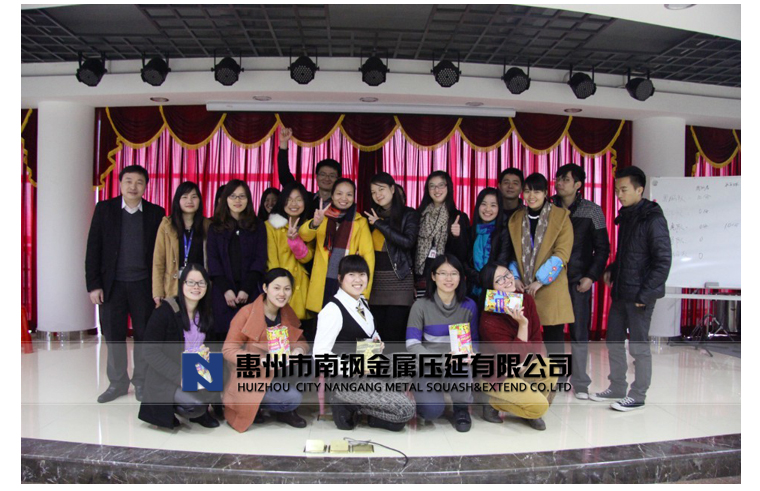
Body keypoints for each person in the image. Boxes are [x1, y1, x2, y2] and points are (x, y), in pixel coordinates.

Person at [591, 166, 672, 411]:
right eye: (617, 190)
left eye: (624, 189)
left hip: (639, 296)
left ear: (639, 189)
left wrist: (645, 294)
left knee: (638, 347)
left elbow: (662, 261)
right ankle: (617, 387)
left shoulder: (653, 219)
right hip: (621, 292)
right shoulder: (627, 216)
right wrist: (612, 269)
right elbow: (629, 255)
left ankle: (637, 395)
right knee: (613, 341)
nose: (619, 194)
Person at [85, 165, 166, 403]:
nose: (133, 186)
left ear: (145, 186)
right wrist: (93, 285)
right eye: (128, 181)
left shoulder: (156, 213)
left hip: (144, 286)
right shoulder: (105, 209)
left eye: (139, 182)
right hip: (112, 286)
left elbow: (161, 255)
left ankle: (141, 381)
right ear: (120, 184)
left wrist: (159, 288)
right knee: (114, 336)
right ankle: (117, 383)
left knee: (144, 336)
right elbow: (93, 248)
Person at [313, 255, 415, 431]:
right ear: (340, 278)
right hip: (346, 379)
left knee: (408, 362)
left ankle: (374, 406)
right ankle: (346, 403)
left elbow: (371, 334)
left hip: (368, 370)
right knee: (405, 411)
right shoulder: (332, 310)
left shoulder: (362, 302)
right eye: (351, 274)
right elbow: (320, 355)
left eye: (362, 274)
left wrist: (377, 342)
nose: (358, 280)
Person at [222, 268, 311, 431]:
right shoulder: (246, 313)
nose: (282, 294)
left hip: (278, 371)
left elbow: (301, 342)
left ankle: (285, 412)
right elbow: (228, 350)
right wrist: (260, 361)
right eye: (276, 288)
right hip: (253, 376)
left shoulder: (287, 312)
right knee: (292, 398)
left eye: (287, 288)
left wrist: (298, 351)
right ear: (265, 288)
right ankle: (257, 407)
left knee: (311, 361)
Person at [551, 164, 610, 400]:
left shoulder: (592, 211)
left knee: (578, 331)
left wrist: (591, 276)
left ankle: (581, 382)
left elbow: (603, 249)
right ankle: (556, 377)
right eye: (558, 178)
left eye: (565, 179)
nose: (559, 183)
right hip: (551, 280)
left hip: (579, 280)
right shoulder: (548, 207)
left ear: (578, 184)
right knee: (553, 332)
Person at [138, 264, 220, 429]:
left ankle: (201, 410)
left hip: (196, 371)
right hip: (168, 375)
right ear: (182, 284)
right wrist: (179, 376)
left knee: (223, 380)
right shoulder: (165, 312)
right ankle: (172, 409)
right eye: (191, 282)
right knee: (195, 406)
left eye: (201, 283)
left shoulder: (207, 313)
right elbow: (149, 351)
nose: (196, 287)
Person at [477, 262, 557, 431]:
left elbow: (536, 339)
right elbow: (513, 358)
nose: (507, 280)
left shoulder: (526, 300)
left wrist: (526, 364)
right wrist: (522, 325)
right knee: (540, 407)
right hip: (498, 376)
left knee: (550, 368)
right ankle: (491, 402)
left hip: (520, 366)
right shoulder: (489, 319)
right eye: (499, 280)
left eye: (507, 274)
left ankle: (529, 409)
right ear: (491, 288)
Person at [406, 254, 479, 432]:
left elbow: (474, 341)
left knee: (461, 367)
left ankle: (461, 409)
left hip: (456, 365)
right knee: (431, 412)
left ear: (461, 277)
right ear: (433, 276)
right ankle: (426, 397)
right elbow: (412, 345)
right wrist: (441, 360)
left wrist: (472, 354)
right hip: (428, 365)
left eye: (454, 273)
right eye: (443, 273)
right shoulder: (420, 306)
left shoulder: (469, 306)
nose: (448, 278)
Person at [507, 172, 574, 356]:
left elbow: (561, 254)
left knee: (554, 340)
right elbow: (512, 254)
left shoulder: (561, 217)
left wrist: (540, 281)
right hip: (523, 288)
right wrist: (515, 278)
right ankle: (528, 373)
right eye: (527, 191)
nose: (531, 196)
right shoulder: (516, 218)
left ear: (546, 193)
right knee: (525, 339)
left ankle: (558, 375)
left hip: (550, 287)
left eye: (537, 191)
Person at [299, 178, 375, 314]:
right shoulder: (322, 217)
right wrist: (315, 223)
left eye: (349, 194)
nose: (344, 198)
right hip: (322, 285)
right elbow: (304, 236)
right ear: (332, 196)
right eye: (339, 193)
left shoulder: (360, 222)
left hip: (348, 284)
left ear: (354, 197)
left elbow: (368, 257)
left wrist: (364, 292)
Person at [206, 180, 267, 339]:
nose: (237, 200)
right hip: (223, 293)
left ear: (248, 199)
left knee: (251, 338)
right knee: (224, 338)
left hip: (250, 291)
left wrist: (246, 289)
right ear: (225, 199)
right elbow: (213, 261)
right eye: (233, 196)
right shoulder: (215, 227)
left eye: (242, 196)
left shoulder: (258, 226)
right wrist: (226, 290)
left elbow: (260, 259)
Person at [365, 172, 419, 348]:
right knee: (373, 333)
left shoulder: (408, 214)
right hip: (374, 283)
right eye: (373, 192)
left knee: (393, 334)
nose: (377, 195)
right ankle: (373, 365)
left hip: (399, 281)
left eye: (381, 189)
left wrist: (379, 223)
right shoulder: (370, 215)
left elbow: (408, 242)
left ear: (393, 189)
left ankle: (394, 366)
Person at [265, 182, 314, 334]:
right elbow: (272, 262)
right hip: (281, 290)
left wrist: (295, 241)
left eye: (298, 199)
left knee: (304, 338)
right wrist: (278, 289)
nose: (294, 204)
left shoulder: (309, 226)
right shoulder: (271, 225)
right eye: (289, 199)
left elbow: (307, 258)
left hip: (303, 290)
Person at [152, 181, 212, 305]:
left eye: (194, 197)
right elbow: (159, 260)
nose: (189, 201)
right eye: (184, 197)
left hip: (199, 286)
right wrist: (157, 291)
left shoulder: (207, 225)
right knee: (175, 315)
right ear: (177, 200)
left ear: (200, 201)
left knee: (198, 316)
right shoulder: (167, 225)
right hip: (173, 286)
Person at [414, 171, 470, 295]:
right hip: (421, 276)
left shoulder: (458, 217)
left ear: (448, 187)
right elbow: (411, 248)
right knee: (423, 306)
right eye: (432, 186)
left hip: (446, 278)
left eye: (441, 185)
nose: (436, 190)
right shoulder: (418, 215)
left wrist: (457, 237)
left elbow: (463, 255)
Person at [278, 126, 341, 219]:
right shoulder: (305, 198)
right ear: (316, 177)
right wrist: (283, 143)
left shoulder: (342, 203)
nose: (327, 178)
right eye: (323, 174)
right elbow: (285, 177)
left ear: (338, 179)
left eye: (332, 175)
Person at [465, 187, 512, 301]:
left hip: (496, 290)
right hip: (472, 290)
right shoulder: (470, 231)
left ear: (499, 208)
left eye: (493, 205)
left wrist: (485, 279)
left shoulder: (504, 232)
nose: (487, 209)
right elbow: (465, 262)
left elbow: (502, 261)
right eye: (484, 204)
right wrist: (478, 278)